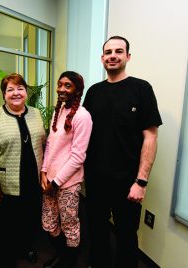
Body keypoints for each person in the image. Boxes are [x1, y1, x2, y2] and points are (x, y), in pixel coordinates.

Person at [83, 36, 163, 268]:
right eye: (108, 52)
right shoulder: (94, 92)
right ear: (102, 58)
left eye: (119, 51)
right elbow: (82, 134)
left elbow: (151, 137)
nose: (113, 55)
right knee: (97, 231)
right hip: (95, 179)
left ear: (128, 56)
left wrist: (141, 181)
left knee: (127, 236)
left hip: (127, 182)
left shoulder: (141, 89)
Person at [0, 73, 46, 268]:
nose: (16, 93)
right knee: (5, 225)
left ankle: (26, 248)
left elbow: (43, 144)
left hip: (32, 181)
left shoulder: (35, 113)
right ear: (4, 94)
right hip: (7, 183)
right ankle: (5, 258)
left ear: (26, 92)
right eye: (10, 89)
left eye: (20, 88)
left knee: (29, 220)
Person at [41, 71, 93, 268]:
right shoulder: (58, 111)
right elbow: (50, 146)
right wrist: (44, 173)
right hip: (49, 181)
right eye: (60, 84)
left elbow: (78, 157)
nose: (62, 89)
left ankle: (68, 263)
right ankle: (62, 255)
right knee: (49, 223)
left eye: (68, 85)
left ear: (77, 90)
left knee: (70, 225)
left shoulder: (83, 116)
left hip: (67, 183)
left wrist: (56, 182)